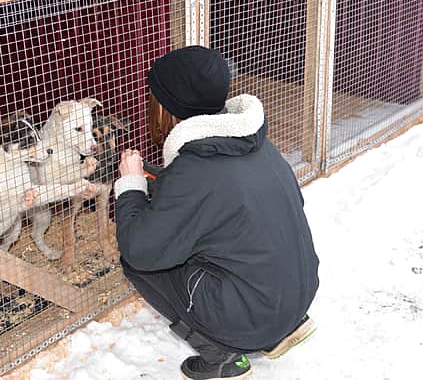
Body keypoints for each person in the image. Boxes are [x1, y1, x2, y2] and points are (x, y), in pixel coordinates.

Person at [114, 46, 319, 380]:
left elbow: (140, 249)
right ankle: (284, 326)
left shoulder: (194, 172)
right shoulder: (258, 145)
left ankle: (221, 355)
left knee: (138, 260)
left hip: (254, 316)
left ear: (167, 108)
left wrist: (132, 185)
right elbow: (218, 199)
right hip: (297, 295)